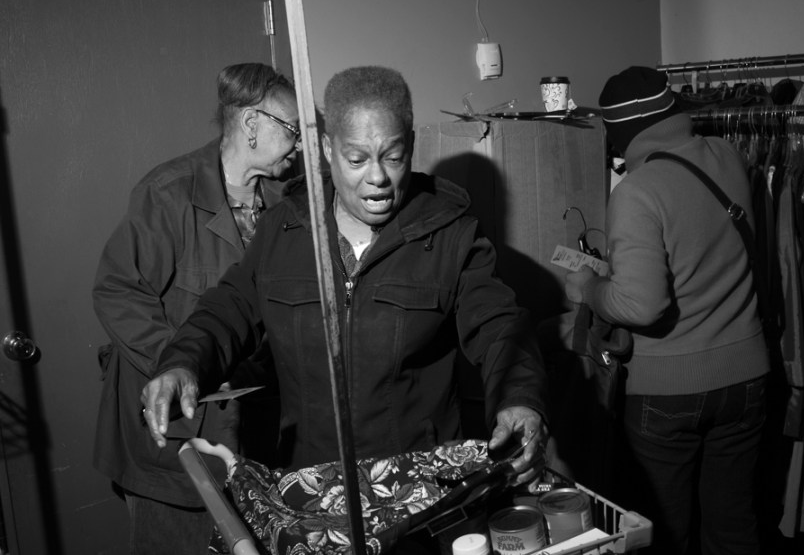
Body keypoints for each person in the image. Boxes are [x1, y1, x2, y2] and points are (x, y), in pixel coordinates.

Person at [140, 65, 548, 537]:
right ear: (327, 149)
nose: (378, 177)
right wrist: (182, 362)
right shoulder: (283, 230)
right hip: (312, 494)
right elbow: (227, 309)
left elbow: (500, 327)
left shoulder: (452, 234)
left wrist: (521, 401)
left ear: (410, 146)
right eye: (356, 159)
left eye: (393, 157)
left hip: (419, 497)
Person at [93, 62, 301, 554]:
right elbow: (118, 290)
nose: (298, 146)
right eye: (293, 130)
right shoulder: (169, 192)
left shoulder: (284, 202)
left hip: (252, 438)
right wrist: (186, 363)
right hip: (173, 439)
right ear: (252, 124)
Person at [565, 66, 769, 555]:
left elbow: (642, 305)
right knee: (734, 528)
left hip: (669, 391)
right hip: (746, 378)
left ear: (619, 133)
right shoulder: (727, 156)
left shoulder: (637, 191)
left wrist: (590, 287)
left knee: (663, 536)